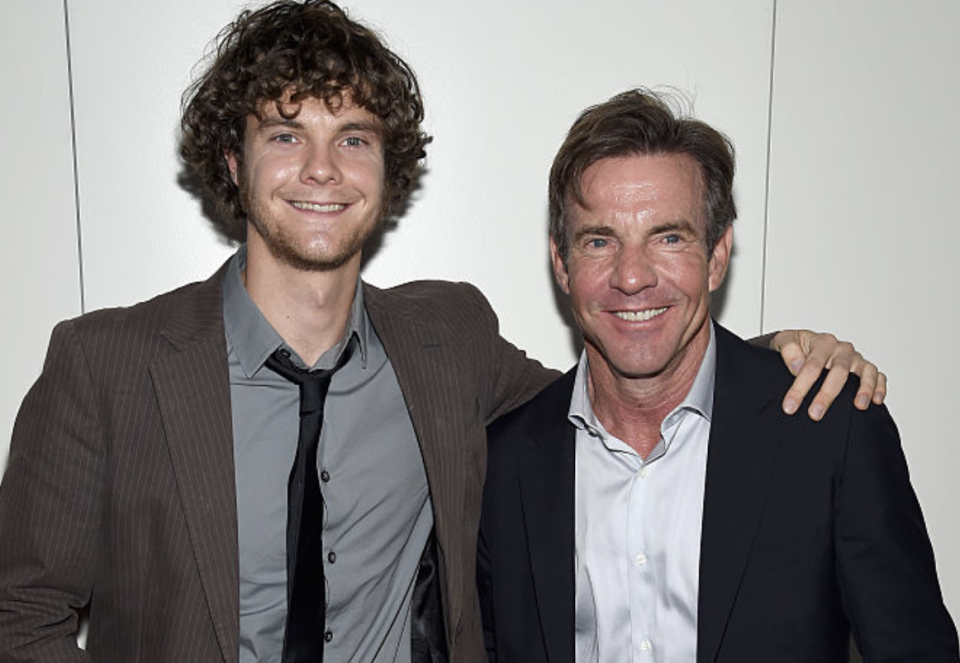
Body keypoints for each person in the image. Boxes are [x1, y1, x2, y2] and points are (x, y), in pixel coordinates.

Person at [0, 3, 884, 663]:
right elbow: (21, 614)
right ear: (233, 160)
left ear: (388, 171)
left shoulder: (448, 342)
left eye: (353, 138)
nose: (320, 169)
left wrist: (773, 357)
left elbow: (622, 380)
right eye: (284, 133)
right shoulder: (105, 365)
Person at [476, 88, 958, 663]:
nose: (632, 277)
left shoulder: (830, 429)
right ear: (562, 262)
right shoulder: (503, 466)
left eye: (669, 237)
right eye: (600, 241)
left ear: (719, 254)